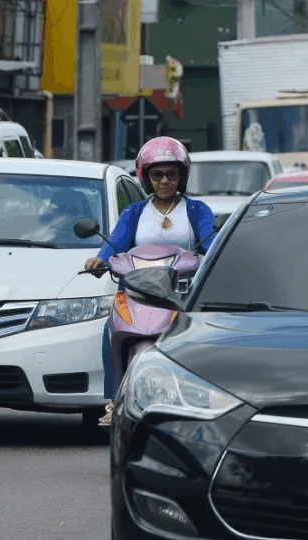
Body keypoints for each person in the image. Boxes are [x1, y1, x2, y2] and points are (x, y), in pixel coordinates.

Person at [83, 136, 218, 426]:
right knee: (111, 332)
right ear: (145, 177)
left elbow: (213, 242)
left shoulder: (197, 210)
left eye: (172, 174)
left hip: (182, 293)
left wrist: (221, 255)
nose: (165, 181)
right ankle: (114, 400)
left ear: (182, 176)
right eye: (157, 174)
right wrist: (100, 258)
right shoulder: (134, 212)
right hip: (136, 292)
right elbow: (115, 243)